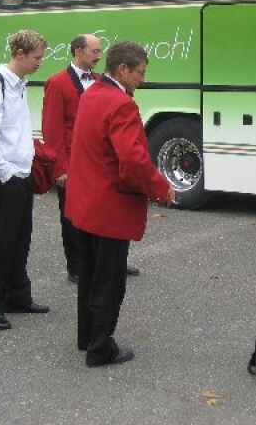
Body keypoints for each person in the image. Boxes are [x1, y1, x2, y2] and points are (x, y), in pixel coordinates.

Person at [66, 41, 175, 367]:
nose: (142, 79)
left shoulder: (91, 94)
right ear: (123, 70)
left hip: (85, 202)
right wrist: (161, 188)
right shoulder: (121, 104)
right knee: (109, 281)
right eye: (139, 72)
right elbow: (133, 161)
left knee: (89, 275)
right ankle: (101, 348)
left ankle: (87, 336)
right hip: (110, 207)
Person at [41, 34, 143, 283]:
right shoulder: (57, 82)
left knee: (105, 214)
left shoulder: (101, 81)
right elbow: (52, 128)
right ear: (78, 51)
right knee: (72, 217)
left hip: (96, 163)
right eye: (94, 51)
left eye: (100, 52)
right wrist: (59, 168)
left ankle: (111, 261)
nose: (99, 56)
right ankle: (77, 266)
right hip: (72, 164)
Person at [0, 29, 50, 330]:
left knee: (20, 240)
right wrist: (5, 173)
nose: (40, 62)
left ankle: (18, 296)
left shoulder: (19, 85)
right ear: (19, 54)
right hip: (5, 178)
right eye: (36, 57)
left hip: (21, 175)